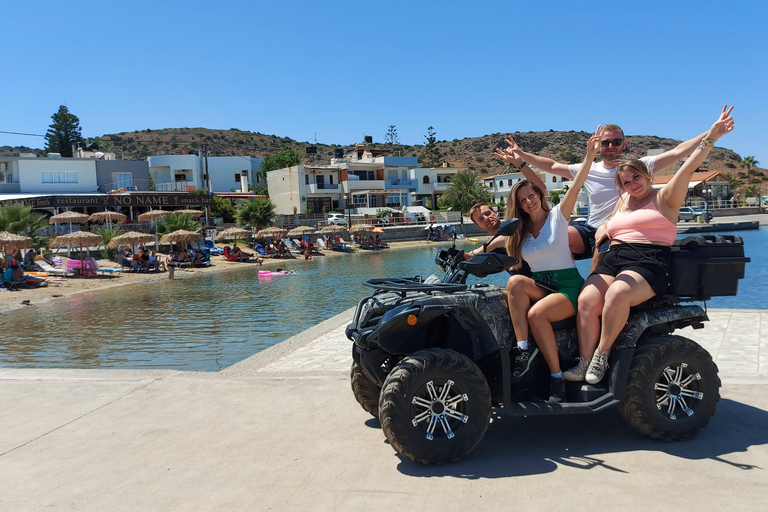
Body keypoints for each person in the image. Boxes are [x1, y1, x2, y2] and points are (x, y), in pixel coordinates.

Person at [565, 106, 735, 384]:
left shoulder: (665, 198)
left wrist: (711, 138)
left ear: (648, 175)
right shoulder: (623, 200)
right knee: (586, 300)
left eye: (637, 178)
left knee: (617, 295)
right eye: (626, 182)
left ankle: (601, 355)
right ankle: (584, 362)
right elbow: (615, 220)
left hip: (648, 260)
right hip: (616, 257)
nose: (633, 185)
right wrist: (606, 226)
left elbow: (688, 165)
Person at [501, 123, 710, 267]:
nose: (611, 146)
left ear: (624, 143)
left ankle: (587, 293)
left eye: (616, 142)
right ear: (599, 146)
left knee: (601, 257)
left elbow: (678, 152)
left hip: (617, 231)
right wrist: (522, 155)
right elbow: (553, 165)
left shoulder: (639, 167)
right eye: (606, 143)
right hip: (589, 228)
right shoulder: (589, 168)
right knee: (555, 236)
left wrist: (711, 133)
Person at [503, 127, 603, 403]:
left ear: (539, 194)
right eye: (523, 201)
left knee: (536, 315)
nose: (528, 201)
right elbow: (496, 245)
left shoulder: (558, 216)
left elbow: (577, 182)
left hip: (569, 288)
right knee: (515, 283)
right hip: (545, 286)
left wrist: (590, 155)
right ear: (520, 207)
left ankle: (556, 379)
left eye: (531, 195)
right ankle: (522, 349)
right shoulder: (520, 232)